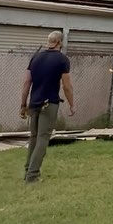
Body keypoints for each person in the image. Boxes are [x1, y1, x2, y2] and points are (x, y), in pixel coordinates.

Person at [20, 31, 74, 184]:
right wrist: (72, 104)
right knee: (43, 138)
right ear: (60, 42)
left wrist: (23, 104)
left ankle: (27, 171)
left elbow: (26, 83)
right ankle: (33, 176)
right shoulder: (63, 60)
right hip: (49, 104)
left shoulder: (36, 57)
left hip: (34, 103)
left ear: (49, 41)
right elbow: (67, 86)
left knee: (33, 138)